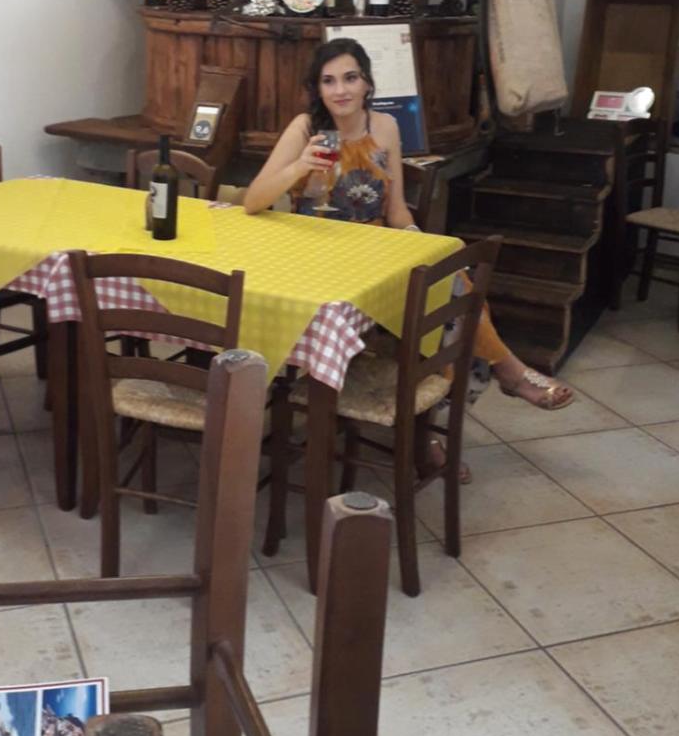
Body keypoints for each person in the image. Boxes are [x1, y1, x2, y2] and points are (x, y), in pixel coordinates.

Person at [243, 37, 574, 479]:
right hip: (317, 259)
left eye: (350, 78)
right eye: (329, 81)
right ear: (317, 89)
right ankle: (492, 386)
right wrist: (299, 166)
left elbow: (396, 209)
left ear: (367, 83)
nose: (340, 90)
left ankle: (440, 423)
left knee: (453, 290)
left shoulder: (385, 128)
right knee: (454, 304)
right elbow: (253, 201)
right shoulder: (305, 129)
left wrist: (419, 244)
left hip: (377, 253)